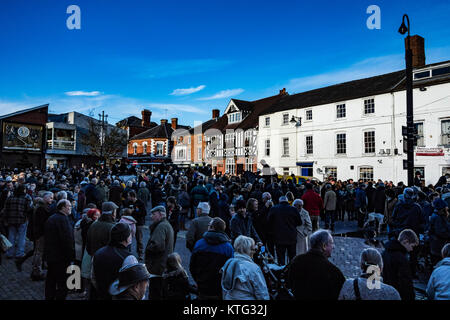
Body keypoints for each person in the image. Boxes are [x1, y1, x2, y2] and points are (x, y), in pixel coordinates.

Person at [288, 229, 345, 300]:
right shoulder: (333, 272)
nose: (333, 247)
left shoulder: (296, 261)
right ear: (324, 246)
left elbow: (289, 284)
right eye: (332, 243)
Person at [190, 217, 234, 300]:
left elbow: (192, 265)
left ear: (212, 228)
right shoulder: (228, 247)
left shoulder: (199, 244)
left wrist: (198, 280)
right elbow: (230, 270)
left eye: (209, 225)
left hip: (202, 285)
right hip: (219, 287)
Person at [43, 199, 75, 300]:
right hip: (61, 257)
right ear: (63, 207)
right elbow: (67, 240)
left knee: (51, 280)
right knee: (62, 283)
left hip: (51, 256)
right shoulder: (63, 220)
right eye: (69, 206)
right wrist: (71, 256)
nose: (71, 208)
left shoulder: (52, 218)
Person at [91, 222, 133, 300]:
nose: (131, 236)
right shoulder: (129, 258)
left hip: (101, 295)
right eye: (130, 234)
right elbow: (133, 286)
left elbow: (93, 277)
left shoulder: (98, 252)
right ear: (126, 238)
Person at [221, 235, 270, 300]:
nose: (254, 251)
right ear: (249, 250)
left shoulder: (228, 263)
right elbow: (262, 293)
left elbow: (224, 289)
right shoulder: (253, 268)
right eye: (253, 249)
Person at [145, 205, 174, 300]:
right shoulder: (166, 225)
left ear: (161, 215)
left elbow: (158, 246)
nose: (151, 216)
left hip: (157, 266)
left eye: (153, 214)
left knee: (155, 292)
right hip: (163, 264)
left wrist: (148, 249)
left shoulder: (161, 226)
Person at [381, 229, 419, 300]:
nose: (412, 249)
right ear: (406, 242)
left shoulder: (385, 253)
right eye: (412, 246)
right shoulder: (401, 258)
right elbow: (405, 283)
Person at [267, 196, 302, 265]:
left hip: (279, 237)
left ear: (279, 201)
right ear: (287, 201)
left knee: (281, 258)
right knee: (292, 257)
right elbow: (299, 222)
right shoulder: (293, 209)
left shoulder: (274, 209)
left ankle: (282, 272)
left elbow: (269, 222)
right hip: (291, 236)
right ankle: (291, 273)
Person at [2, 184, 32, 262]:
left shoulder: (10, 197)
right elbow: (30, 209)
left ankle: (10, 253)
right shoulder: (27, 197)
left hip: (11, 220)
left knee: (11, 236)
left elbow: (5, 209)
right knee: (21, 237)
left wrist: (5, 219)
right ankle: (19, 253)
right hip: (22, 220)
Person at [30, 191, 53, 280]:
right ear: (45, 197)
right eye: (50, 198)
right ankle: (36, 272)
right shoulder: (41, 208)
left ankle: (37, 270)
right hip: (40, 234)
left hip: (39, 233)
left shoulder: (41, 207)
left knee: (38, 252)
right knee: (39, 252)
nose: (52, 199)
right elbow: (42, 223)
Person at [122, 190, 146, 262]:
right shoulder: (128, 202)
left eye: (129, 196)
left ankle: (140, 254)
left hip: (138, 223)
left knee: (139, 239)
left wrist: (134, 211)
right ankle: (127, 253)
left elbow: (144, 213)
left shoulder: (140, 203)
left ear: (133, 196)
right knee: (127, 238)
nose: (128, 197)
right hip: (129, 223)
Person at [428, 198, 450, 266]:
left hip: (436, 244)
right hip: (439, 244)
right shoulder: (437, 217)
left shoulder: (437, 215)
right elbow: (441, 232)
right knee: (438, 262)